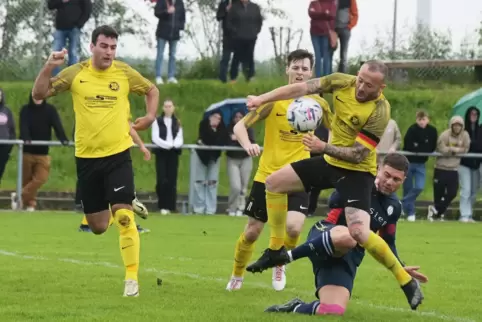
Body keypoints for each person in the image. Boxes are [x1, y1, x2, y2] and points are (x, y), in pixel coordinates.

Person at [244, 62, 423, 310]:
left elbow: (359, 154)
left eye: (368, 85)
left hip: (357, 172)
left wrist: (323, 147)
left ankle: (406, 283)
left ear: (381, 87)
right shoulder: (341, 81)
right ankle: (276, 249)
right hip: (329, 162)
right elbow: (300, 89)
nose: (360, 86)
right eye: (359, 79)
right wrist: (261, 98)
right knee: (273, 182)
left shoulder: (380, 110)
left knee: (359, 232)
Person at [31, 25, 159, 297]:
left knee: (124, 217)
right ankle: (120, 204)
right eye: (104, 46)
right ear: (92, 47)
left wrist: (150, 116)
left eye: (113, 47)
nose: (109, 52)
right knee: (99, 226)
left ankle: (132, 280)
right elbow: (39, 94)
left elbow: (152, 90)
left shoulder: (124, 73)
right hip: (87, 159)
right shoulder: (75, 73)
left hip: (118, 155)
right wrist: (48, 67)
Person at [263, 153, 428, 315]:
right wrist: (361, 190)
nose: (389, 182)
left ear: (403, 180)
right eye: (387, 175)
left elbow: (388, 241)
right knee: (352, 235)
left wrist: (401, 267)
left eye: (396, 179)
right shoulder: (360, 184)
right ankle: (287, 256)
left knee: (332, 311)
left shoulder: (394, 208)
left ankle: (295, 307)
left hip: (349, 255)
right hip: (325, 233)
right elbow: (333, 202)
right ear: (378, 169)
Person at [226, 49, 333, 292]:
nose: (300, 72)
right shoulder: (273, 102)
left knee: (294, 227)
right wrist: (249, 144)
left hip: (299, 175)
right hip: (267, 175)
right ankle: (237, 273)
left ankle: (279, 262)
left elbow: (335, 130)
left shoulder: (319, 104)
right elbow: (240, 126)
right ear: (287, 70)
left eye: (305, 68)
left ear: (311, 72)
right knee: (252, 232)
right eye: (296, 67)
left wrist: (326, 148)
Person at [78, 122, 152, 234]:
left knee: (120, 203)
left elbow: (129, 127)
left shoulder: (118, 111)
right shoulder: (90, 114)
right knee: (100, 219)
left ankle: (129, 220)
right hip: (92, 160)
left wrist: (141, 146)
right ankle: (86, 224)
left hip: (116, 160)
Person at [428, 116, 470, 221]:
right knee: (438, 193)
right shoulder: (444, 135)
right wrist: (453, 149)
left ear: (462, 126)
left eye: (459, 125)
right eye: (455, 125)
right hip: (441, 168)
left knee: (452, 192)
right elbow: (441, 148)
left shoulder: (464, 135)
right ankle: (437, 215)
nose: (457, 127)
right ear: (451, 125)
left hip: (453, 169)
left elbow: (465, 148)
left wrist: (453, 150)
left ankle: (435, 209)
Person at [151, 99, 183, 215]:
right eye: (166, 106)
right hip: (161, 152)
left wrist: (174, 145)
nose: (168, 108)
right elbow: (155, 138)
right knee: (161, 179)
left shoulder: (177, 122)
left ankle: (171, 206)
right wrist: (167, 145)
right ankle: (162, 205)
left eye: (170, 106)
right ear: (163, 108)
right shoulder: (157, 121)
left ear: (173, 108)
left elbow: (180, 137)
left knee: (172, 179)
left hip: (173, 153)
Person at [226, 110, 254, 216]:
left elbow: (251, 141)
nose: (237, 119)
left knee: (243, 186)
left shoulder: (248, 128)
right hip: (232, 158)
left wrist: (238, 138)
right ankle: (231, 207)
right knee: (235, 186)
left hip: (245, 158)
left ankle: (240, 208)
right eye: (236, 117)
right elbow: (225, 142)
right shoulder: (229, 128)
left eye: (240, 117)